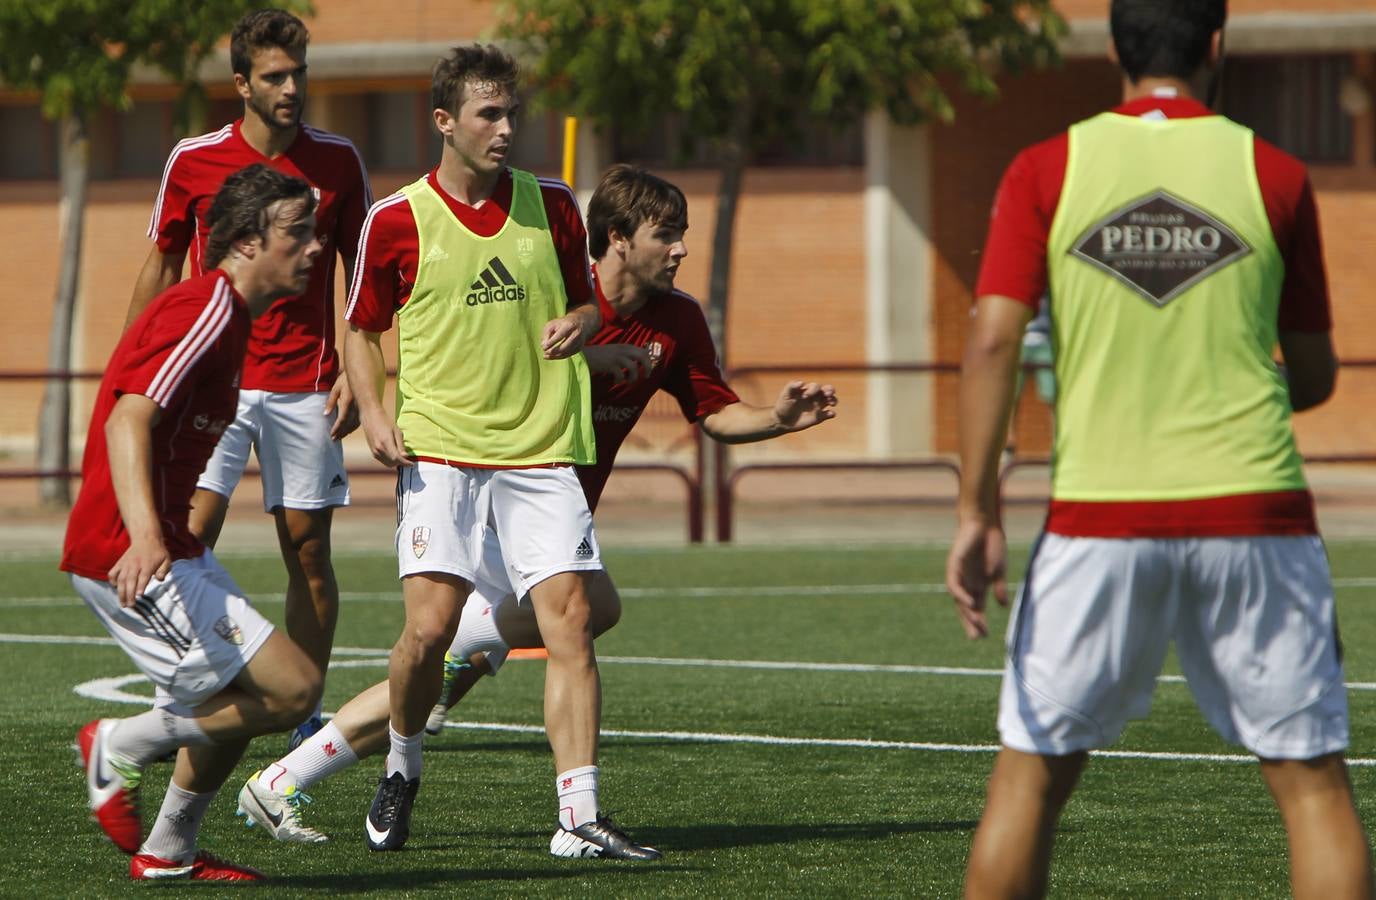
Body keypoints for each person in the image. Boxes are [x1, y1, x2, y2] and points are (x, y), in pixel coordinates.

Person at [233, 164, 838, 857]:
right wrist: (584, 356)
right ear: (615, 238)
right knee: (515, 628)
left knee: (544, 624)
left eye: (683, 236)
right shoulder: (547, 294)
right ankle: (543, 801)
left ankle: (287, 776)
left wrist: (779, 419)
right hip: (490, 498)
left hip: (549, 510)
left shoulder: (677, 319)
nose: (680, 250)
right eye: (665, 235)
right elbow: (481, 360)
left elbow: (717, 412)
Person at [944, 2, 1373, 898]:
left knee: (1029, 781)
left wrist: (977, 511)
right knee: (1312, 791)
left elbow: (989, 344)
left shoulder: (1045, 168)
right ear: (1218, 45)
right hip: (1258, 514)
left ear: (1113, 49)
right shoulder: (1277, 171)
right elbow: (1318, 374)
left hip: (1098, 520)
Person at [338, 43, 645, 857]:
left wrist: (580, 325)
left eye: (514, 113)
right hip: (440, 452)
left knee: (571, 621)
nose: (507, 129)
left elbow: (589, 303)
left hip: (543, 448)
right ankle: (402, 765)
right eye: (490, 114)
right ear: (445, 121)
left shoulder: (554, 203)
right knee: (429, 634)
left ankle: (579, 818)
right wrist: (373, 412)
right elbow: (361, 327)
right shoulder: (397, 218)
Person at [66, 164, 326, 882]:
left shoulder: (231, 316)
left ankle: (168, 852)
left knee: (235, 701)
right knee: (291, 690)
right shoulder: (207, 307)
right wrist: (148, 535)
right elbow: (128, 419)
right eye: (296, 233)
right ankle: (116, 743)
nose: (313, 247)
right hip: (131, 551)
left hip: (161, 543)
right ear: (244, 243)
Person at [125, 8, 372, 749]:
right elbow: (164, 268)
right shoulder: (192, 160)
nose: (291, 86)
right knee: (187, 538)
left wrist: (363, 376)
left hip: (307, 385)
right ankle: (183, 692)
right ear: (242, 83)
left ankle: (306, 721)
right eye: (275, 76)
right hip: (214, 387)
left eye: (299, 72)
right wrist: (137, 372)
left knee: (310, 555)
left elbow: (366, 280)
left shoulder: (340, 162)